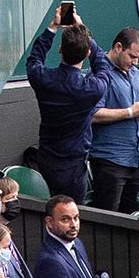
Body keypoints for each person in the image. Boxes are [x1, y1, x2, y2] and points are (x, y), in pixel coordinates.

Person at [25, 13, 113, 204]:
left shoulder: (43, 79)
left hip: (46, 159)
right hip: (74, 165)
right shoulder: (91, 89)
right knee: (71, 215)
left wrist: (52, 27)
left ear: (60, 50)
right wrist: (86, 37)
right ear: (87, 53)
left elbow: (34, 59)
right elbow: (104, 67)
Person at [88, 29, 139, 212]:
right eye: (132, 56)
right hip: (109, 161)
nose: (135, 62)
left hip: (135, 160)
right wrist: (130, 112)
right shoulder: (99, 75)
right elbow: (92, 115)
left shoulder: (135, 73)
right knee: (109, 221)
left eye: (138, 57)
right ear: (118, 47)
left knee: (134, 220)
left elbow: (134, 112)